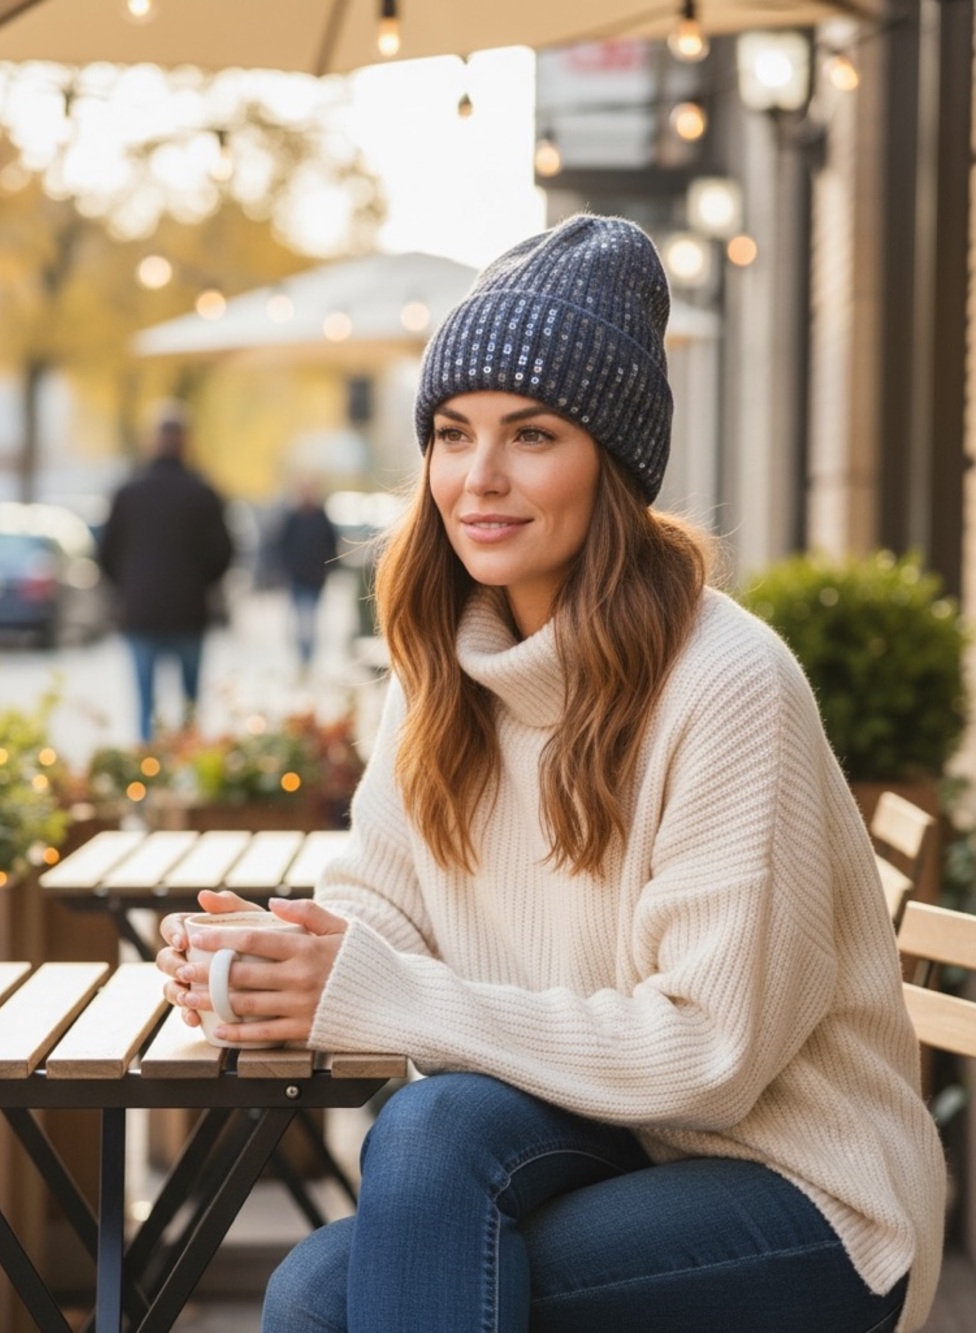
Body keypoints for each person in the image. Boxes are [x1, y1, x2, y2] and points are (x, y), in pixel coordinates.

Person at [156, 215, 945, 1333]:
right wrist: (282, 956)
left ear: (610, 464)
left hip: (801, 1188)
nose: (478, 479)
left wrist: (376, 988)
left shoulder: (726, 683)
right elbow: (382, 910)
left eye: (531, 436)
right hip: (602, 1134)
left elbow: (709, 1057)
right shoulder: (442, 664)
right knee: (414, 1150)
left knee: (327, 1292)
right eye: (450, 432)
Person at [99, 403, 233, 741]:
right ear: (186, 441)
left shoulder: (127, 493)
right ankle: (184, 771)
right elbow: (224, 553)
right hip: (189, 610)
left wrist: (129, 586)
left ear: (151, 441)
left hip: (139, 611)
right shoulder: (203, 494)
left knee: (145, 705)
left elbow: (105, 553)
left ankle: (145, 775)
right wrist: (199, 583)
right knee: (190, 705)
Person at [275, 476, 339, 673]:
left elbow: (332, 545)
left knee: (309, 620)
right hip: (297, 577)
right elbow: (281, 545)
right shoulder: (292, 517)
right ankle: (304, 658)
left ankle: (307, 659)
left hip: (316, 578)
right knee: (302, 620)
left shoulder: (321, 517)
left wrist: (327, 567)